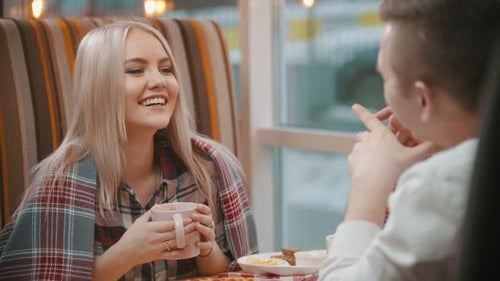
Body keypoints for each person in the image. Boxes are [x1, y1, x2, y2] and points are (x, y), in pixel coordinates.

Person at [0, 20, 258, 280]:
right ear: (99, 87)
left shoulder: (206, 168)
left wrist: (206, 248)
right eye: (136, 70)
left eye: (166, 69)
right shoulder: (60, 183)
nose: (158, 81)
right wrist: (128, 253)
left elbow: (231, 271)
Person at [320, 0, 500, 280]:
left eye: (386, 76)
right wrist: (441, 134)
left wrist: (369, 187)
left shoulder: (442, 185)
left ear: (422, 98)